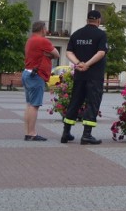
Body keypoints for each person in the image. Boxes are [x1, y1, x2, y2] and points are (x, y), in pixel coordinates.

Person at [62, 10, 109, 145]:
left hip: (79, 75)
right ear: (99, 21)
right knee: (92, 103)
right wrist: (87, 64)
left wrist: (78, 64)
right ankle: (86, 135)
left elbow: (68, 52)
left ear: (87, 19)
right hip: (94, 76)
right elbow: (101, 53)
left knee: (75, 102)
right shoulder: (101, 34)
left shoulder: (77, 34)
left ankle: (66, 133)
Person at [22, 21, 59, 141]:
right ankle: (32, 134)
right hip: (36, 75)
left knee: (29, 104)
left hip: (27, 73)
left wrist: (45, 54)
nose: (46, 30)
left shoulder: (30, 40)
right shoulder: (42, 41)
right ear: (42, 29)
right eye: (46, 28)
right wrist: (48, 55)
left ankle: (27, 132)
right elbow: (57, 54)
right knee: (34, 105)